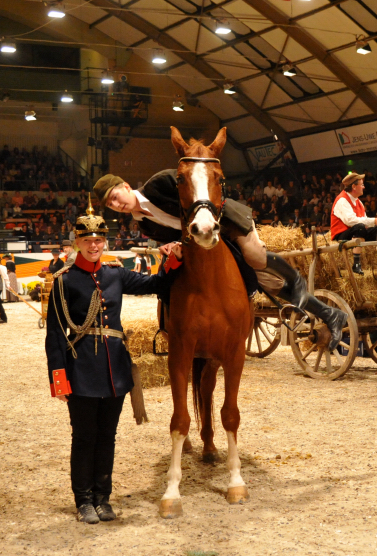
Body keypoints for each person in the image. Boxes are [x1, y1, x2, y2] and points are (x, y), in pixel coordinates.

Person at [94, 171, 348, 351]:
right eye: (111, 205)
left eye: (116, 196)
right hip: (205, 241)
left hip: (223, 219)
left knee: (255, 257)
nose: (117, 205)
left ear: (126, 186)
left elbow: (200, 185)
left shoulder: (161, 182)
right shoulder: (143, 223)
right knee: (265, 283)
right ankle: (330, 314)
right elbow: (177, 235)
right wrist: (171, 246)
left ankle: (296, 279)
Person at [45, 202, 183, 524]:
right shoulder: (64, 281)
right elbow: (55, 335)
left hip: (114, 372)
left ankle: (103, 498)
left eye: (99, 240)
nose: (94, 246)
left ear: (105, 242)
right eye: (87, 240)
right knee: (84, 437)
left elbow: (156, 285)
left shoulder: (114, 275)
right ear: (77, 242)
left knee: (107, 436)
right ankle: (83, 500)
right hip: (80, 371)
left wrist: (170, 259)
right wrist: (58, 378)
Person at [330, 172, 377, 274]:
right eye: (362, 184)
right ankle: (356, 264)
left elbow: (365, 220)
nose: (364, 187)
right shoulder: (342, 200)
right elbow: (350, 221)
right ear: (354, 186)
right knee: (359, 227)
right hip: (342, 235)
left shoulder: (358, 202)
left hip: (358, 233)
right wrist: (374, 220)